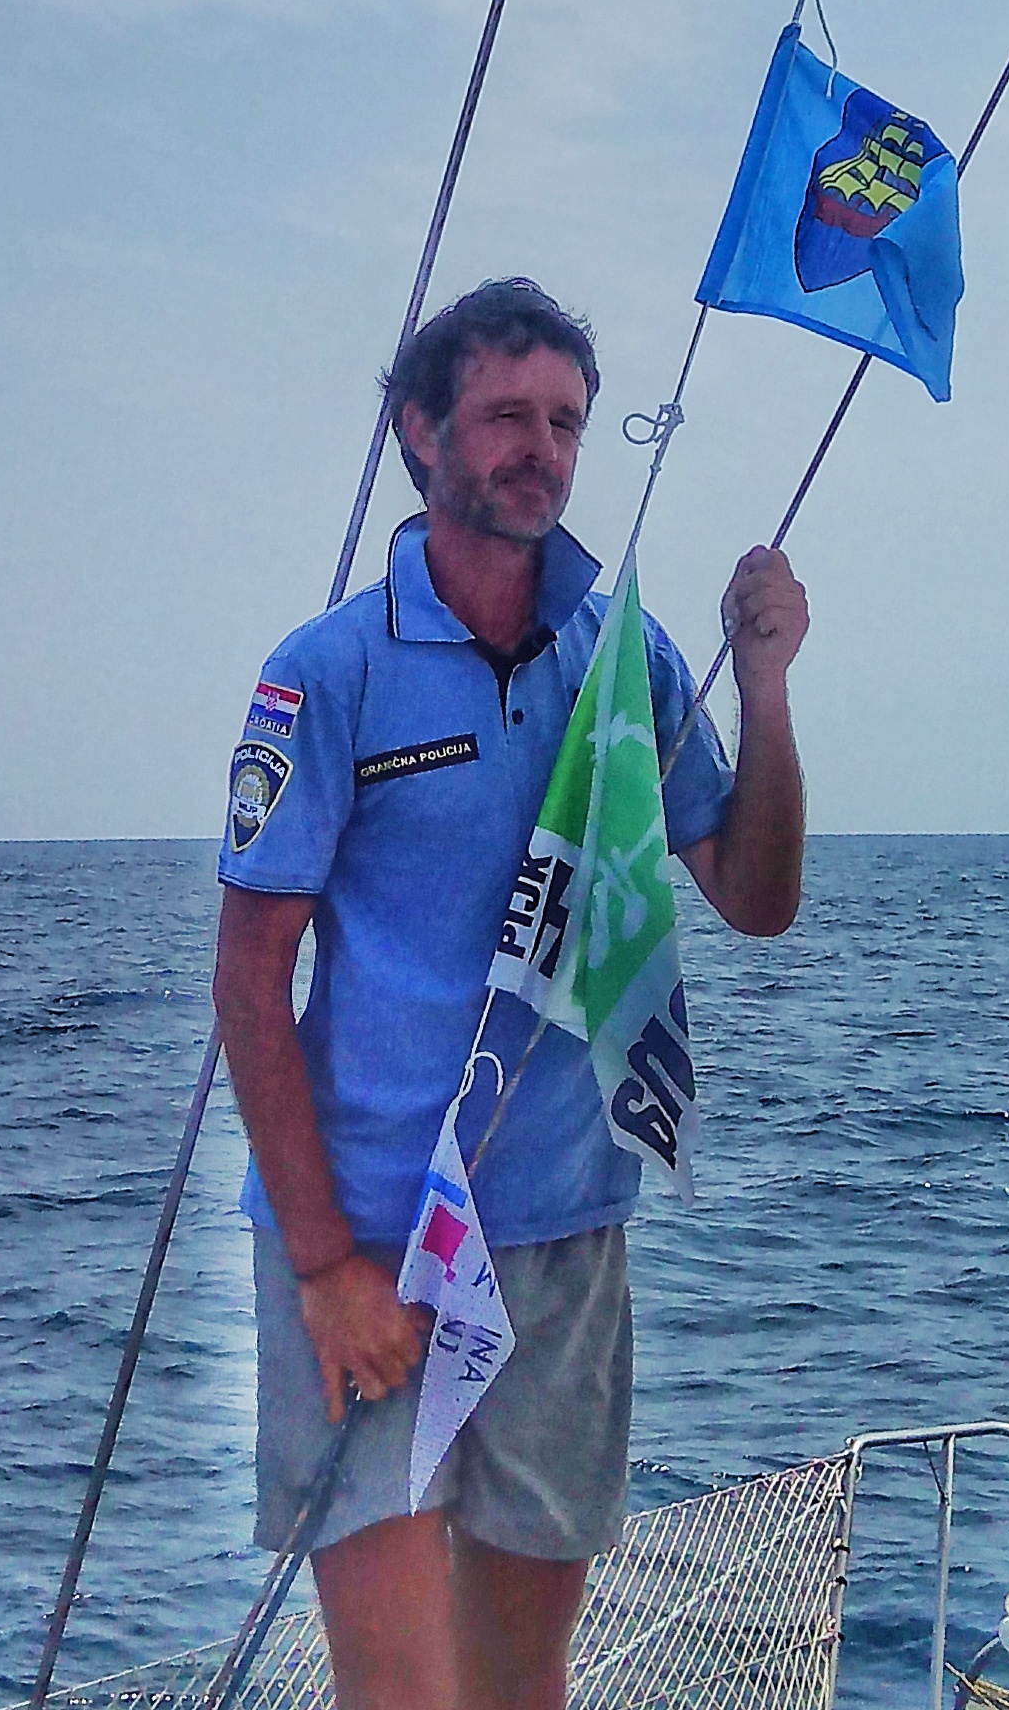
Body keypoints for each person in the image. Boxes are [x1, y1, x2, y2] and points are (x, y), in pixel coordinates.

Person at [212, 276, 810, 1710]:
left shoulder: (627, 660)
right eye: (503, 417)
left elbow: (754, 895)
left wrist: (769, 687)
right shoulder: (328, 673)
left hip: (562, 1233)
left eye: (565, 422)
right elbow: (247, 980)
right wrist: (324, 1272)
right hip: (369, 1242)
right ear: (420, 433)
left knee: (520, 1689)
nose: (538, 449)